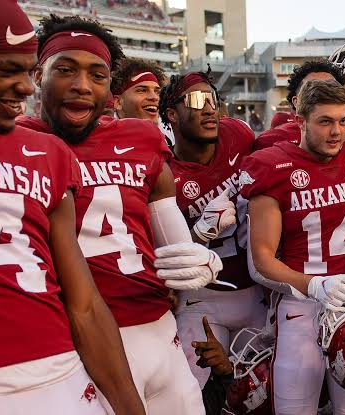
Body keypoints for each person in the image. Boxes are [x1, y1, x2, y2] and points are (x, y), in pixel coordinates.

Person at [0, 2, 145, 414]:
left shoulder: (48, 152)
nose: (27, 87)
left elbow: (84, 302)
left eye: (26, 69)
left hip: (68, 373)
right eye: (6, 70)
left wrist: (129, 405)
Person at [17, 13, 220, 414]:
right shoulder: (17, 141)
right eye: (65, 70)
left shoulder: (139, 137)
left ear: (109, 88)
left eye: (97, 74)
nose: (81, 86)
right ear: (38, 75)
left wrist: (201, 261)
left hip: (159, 330)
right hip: (76, 347)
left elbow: (174, 243)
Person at [241, 79, 345, 415]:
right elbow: (263, 258)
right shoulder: (273, 165)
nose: (337, 132)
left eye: (343, 120)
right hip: (301, 308)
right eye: (325, 121)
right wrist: (314, 285)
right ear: (300, 121)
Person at [160, 69, 267, 386]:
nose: (209, 109)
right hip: (201, 300)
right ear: (172, 115)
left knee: (263, 391)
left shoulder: (239, 135)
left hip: (255, 294)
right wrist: (198, 235)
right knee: (194, 390)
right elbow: (162, 257)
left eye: (213, 99)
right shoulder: (165, 174)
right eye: (196, 100)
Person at [253, 59, 345, 151]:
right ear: (296, 102)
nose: (325, 96)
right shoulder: (270, 141)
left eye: (331, 88)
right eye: (313, 91)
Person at [110, 58, 165, 123]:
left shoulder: (171, 131)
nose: (154, 97)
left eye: (157, 92)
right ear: (117, 102)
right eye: (142, 90)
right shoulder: (99, 131)